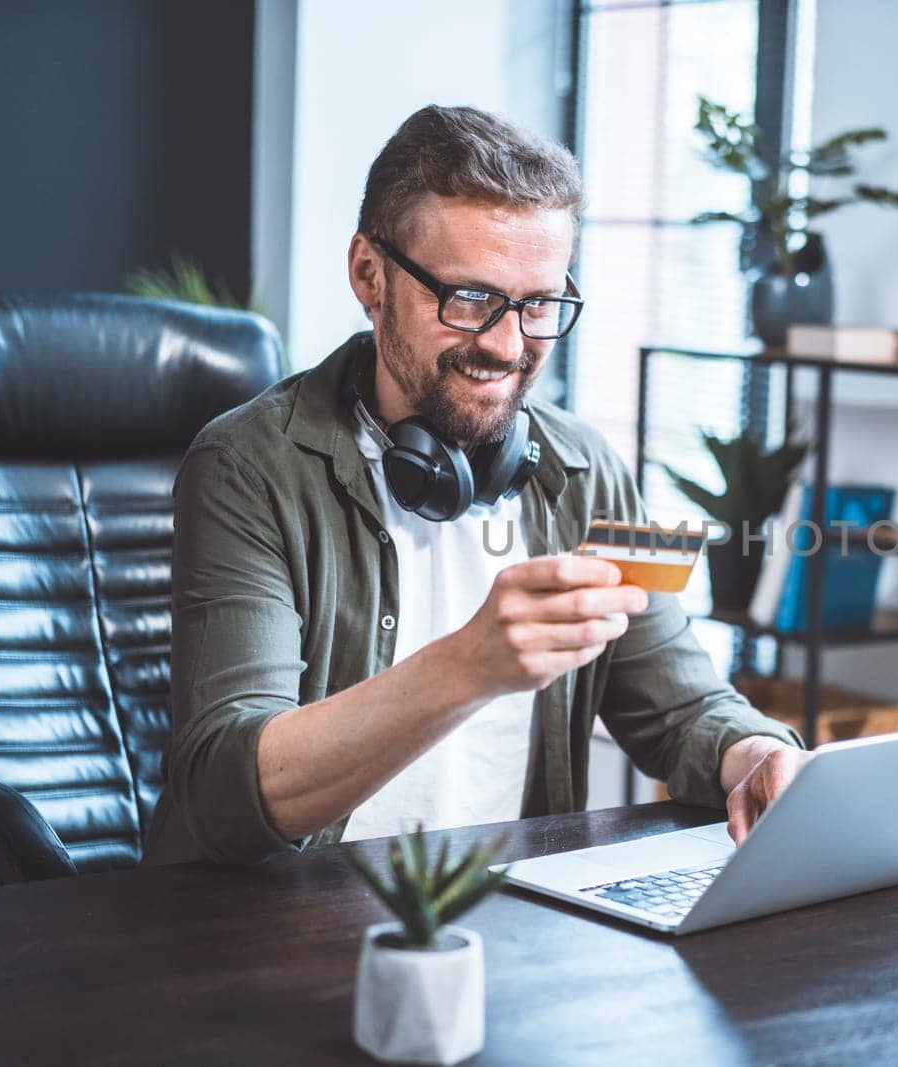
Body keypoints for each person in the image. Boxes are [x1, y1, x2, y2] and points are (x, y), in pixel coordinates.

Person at [142, 105, 807, 866]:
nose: (506, 343)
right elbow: (226, 785)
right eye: (469, 299)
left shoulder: (585, 468)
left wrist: (755, 756)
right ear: (370, 274)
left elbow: (687, 707)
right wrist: (467, 667)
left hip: (509, 923)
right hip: (275, 927)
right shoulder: (246, 465)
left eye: (539, 305)